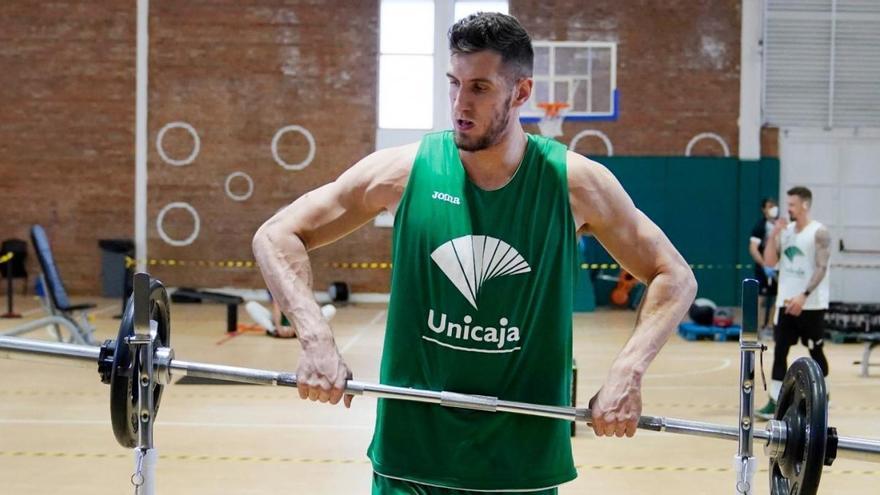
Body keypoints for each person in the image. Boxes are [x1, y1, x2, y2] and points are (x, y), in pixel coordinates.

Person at [252, 12, 696, 494]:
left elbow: (674, 276)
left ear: (522, 93)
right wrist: (315, 339)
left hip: (520, 467)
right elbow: (276, 235)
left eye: (480, 88)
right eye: (454, 84)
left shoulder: (574, 184)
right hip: (410, 461)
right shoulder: (403, 172)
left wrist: (626, 372)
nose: (460, 104)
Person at [757, 186, 831, 420]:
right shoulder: (786, 231)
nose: (788, 208)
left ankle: (824, 395)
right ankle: (775, 401)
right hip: (785, 301)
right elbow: (769, 261)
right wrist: (773, 235)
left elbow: (821, 267)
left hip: (810, 304)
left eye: (792, 204)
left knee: (815, 348)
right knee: (780, 351)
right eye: (787, 204)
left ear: (805, 205)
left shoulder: (819, 232)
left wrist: (804, 295)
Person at [749, 197, 779, 330]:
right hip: (763, 269)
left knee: (776, 298)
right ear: (764, 209)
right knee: (761, 298)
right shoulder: (760, 227)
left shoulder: (780, 226)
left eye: (774, 205)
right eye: (769, 206)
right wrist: (764, 265)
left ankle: (771, 326)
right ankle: (758, 326)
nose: (773, 208)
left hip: (777, 268)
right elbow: (753, 248)